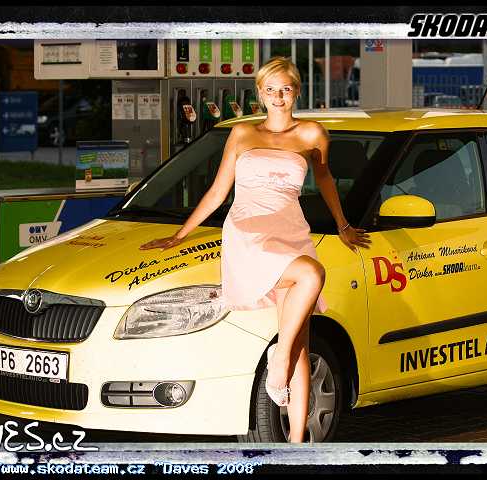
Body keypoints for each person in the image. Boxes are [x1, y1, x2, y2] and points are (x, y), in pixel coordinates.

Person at [140, 57, 370, 443]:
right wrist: (180, 235)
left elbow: (326, 179)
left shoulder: (313, 133)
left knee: (301, 344)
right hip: (249, 231)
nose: (278, 97)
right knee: (311, 274)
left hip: (291, 229)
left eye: (285, 89)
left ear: (297, 92)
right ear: (260, 94)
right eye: (271, 90)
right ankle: (277, 361)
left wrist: (343, 225)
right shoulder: (242, 133)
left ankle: (297, 445)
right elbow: (218, 192)